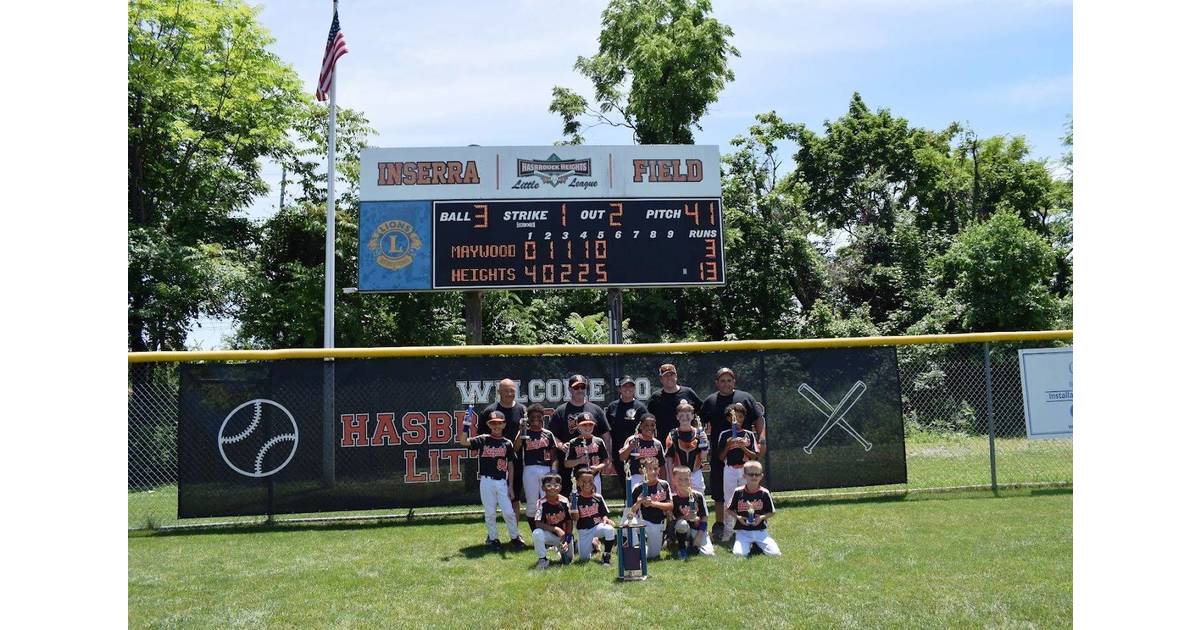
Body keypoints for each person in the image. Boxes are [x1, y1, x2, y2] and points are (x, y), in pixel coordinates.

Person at [699, 367, 763, 543]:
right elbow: (700, 423)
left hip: (744, 459)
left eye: (729, 380)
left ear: (734, 381)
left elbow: (759, 418)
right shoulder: (711, 401)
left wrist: (762, 438)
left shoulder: (745, 397)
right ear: (716, 383)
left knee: (748, 491)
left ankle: (750, 524)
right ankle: (721, 526)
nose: (726, 383)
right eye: (722, 380)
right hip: (722, 455)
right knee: (721, 494)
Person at [458, 410, 525, 551]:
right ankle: (493, 539)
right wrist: (466, 425)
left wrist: (511, 487)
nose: (496, 426)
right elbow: (463, 442)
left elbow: (511, 465)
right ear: (489, 425)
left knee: (508, 511)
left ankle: (515, 537)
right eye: (493, 423)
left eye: (499, 423)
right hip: (486, 481)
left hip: (502, 481)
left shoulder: (507, 443)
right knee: (490, 512)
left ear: (504, 425)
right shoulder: (483, 439)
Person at [550, 374, 613, 478]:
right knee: (568, 493)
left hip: (593, 466)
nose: (580, 390)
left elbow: (606, 436)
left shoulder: (596, 410)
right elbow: (552, 435)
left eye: (582, 387)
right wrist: (561, 445)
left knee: (592, 492)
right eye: (576, 387)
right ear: (570, 389)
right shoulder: (561, 411)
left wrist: (608, 457)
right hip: (568, 465)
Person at [481, 378, 526, 520]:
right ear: (499, 391)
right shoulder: (490, 411)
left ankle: (516, 534)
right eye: (505, 391)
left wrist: (520, 433)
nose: (509, 394)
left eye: (512, 391)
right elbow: (482, 438)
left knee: (515, 497)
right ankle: (492, 535)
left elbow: (523, 438)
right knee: (491, 501)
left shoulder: (522, 410)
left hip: (515, 460)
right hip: (493, 462)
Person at [714, 403, 759, 541]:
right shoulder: (724, 434)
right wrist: (728, 444)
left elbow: (754, 456)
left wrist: (743, 447)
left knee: (747, 499)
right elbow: (720, 457)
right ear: (729, 419)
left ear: (744, 418)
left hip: (745, 470)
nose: (737, 420)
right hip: (730, 470)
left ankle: (748, 528)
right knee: (729, 501)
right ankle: (728, 532)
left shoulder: (749, 434)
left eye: (740, 417)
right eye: (734, 417)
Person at [513, 403, 559, 531]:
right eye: (532, 417)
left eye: (539, 416)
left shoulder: (548, 434)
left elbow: (554, 456)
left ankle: (550, 534)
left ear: (543, 417)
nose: (536, 419)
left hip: (546, 469)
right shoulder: (525, 433)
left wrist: (554, 472)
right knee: (533, 503)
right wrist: (520, 430)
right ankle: (536, 533)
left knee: (548, 501)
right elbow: (515, 449)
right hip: (529, 469)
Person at [605, 375, 647, 498]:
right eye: (625, 386)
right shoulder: (613, 407)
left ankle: (641, 505)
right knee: (624, 479)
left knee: (638, 478)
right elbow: (607, 432)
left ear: (634, 389)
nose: (628, 389)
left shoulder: (640, 407)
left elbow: (647, 428)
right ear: (620, 389)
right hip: (618, 451)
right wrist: (609, 454)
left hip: (637, 451)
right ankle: (628, 507)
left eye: (631, 386)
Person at [728, 461, 781, 558]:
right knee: (739, 554)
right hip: (743, 531)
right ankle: (749, 545)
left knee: (775, 554)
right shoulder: (738, 492)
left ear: (761, 476)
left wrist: (762, 517)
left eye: (757, 474)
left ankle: (757, 545)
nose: (754, 477)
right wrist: (738, 517)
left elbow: (772, 512)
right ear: (744, 476)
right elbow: (729, 509)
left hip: (760, 531)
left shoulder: (764, 493)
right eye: (751, 474)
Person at [628, 457, 673, 561]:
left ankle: (642, 547)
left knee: (653, 555)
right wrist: (639, 502)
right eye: (649, 469)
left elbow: (670, 506)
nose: (653, 472)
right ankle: (632, 545)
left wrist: (653, 503)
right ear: (642, 471)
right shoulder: (638, 487)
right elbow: (630, 512)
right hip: (643, 521)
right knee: (630, 523)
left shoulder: (664, 484)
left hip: (658, 523)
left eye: (655, 468)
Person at [647, 363, 704, 444]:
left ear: (676, 376)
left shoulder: (688, 392)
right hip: (664, 441)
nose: (669, 378)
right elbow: (649, 419)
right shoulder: (656, 397)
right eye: (666, 376)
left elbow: (702, 410)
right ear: (661, 379)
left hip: (689, 441)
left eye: (671, 375)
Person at [569, 468, 616, 565]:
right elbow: (575, 518)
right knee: (584, 559)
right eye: (584, 481)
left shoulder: (598, 497)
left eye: (590, 481)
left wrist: (606, 519)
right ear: (577, 482)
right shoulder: (574, 498)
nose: (587, 483)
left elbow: (604, 514)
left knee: (609, 529)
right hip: (584, 530)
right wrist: (574, 505)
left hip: (596, 526)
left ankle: (606, 556)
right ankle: (592, 544)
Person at [670, 465, 714, 558]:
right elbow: (672, 519)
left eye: (686, 479)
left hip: (697, 529)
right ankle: (682, 548)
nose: (683, 482)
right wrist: (686, 517)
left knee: (708, 554)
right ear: (673, 480)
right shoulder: (672, 498)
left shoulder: (698, 496)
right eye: (680, 479)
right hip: (681, 529)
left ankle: (694, 542)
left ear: (691, 479)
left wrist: (699, 535)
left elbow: (705, 517)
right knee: (682, 524)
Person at [664, 400, 707, 495]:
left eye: (688, 414)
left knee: (698, 500)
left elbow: (703, 457)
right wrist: (671, 480)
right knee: (679, 502)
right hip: (679, 474)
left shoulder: (699, 433)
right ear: (677, 417)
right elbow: (668, 459)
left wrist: (705, 445)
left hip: (695, 473)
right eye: (682, 415)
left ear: (692, 416)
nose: (685, 417)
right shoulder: (672, 434)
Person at [531, 473, 573, 569]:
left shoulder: (565, 501)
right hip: (550, 535)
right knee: (537, 533)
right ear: (543, 488)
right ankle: (543, 559)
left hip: (563, 537)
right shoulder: (541, 503)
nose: (553, 488)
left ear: (560, 487)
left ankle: (562, 548)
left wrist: (567, 539)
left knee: (569, 560)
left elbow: (569, 522)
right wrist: (556, 529)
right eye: (549, 485)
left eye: (556, 485)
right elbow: (537, 523)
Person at [563, 414, 611, 495]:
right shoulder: (573, 442)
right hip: (578, 477)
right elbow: (567, 463)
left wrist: (597, 468)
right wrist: (579, 460)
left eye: (590, 424)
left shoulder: (598, 441)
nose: (588, 427)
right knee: (579, 500)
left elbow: (606, 461)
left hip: (595, 476)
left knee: (595, 498)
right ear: (578, 426)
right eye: (584, 425)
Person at [618, 414, 666, 489]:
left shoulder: (657, 443)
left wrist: (663, 482)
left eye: (652, 425)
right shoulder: (632, 439)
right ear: (640, 426)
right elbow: (622, 458)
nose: (649, 427)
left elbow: (662, 465)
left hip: (653, 477)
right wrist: (631, 447)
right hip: (636, 477)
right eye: (646, 425)